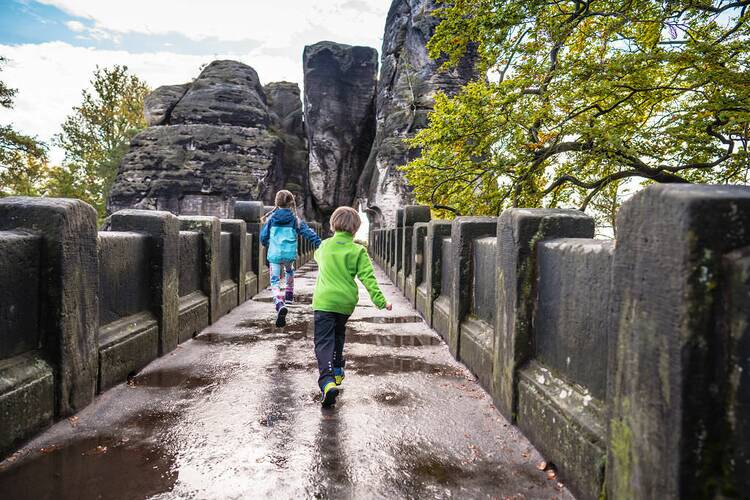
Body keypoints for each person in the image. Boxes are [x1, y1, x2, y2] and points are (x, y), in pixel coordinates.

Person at [312, 206, 392, 407]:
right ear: (356, 229)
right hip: (345, 303)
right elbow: (368, 278)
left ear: (332, 225)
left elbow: (316, 257)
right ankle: (338, 369)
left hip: (323, 301)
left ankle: (327, 381)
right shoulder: (358, 251)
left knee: (323, 342)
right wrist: (382, 301)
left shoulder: (324, 247)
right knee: (338, 334)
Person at [260, 190, 321, 327]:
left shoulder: (272, 218)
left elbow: (263, 237)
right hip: (289, 255)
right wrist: (320, 244)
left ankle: (279, 302)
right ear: (291, 203)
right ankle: (288, 296)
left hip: (274, 254)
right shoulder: (295, 220)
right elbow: (308, 233)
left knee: (274, 281)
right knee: (289, 271)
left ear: (277, 203)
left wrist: (268, 244)